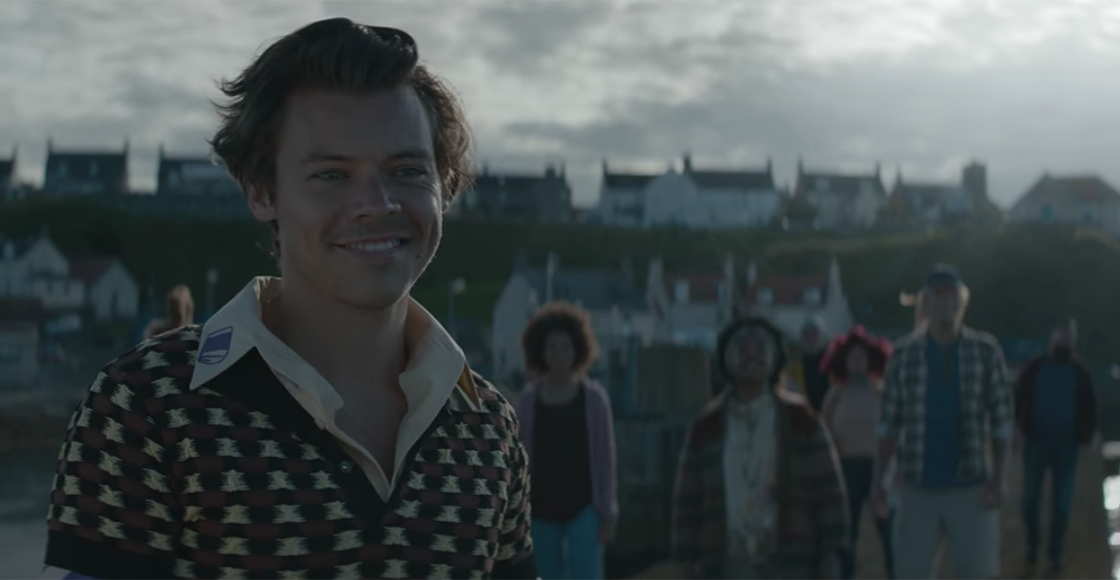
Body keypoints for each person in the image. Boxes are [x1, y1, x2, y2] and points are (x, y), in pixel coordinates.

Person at [42, 19, 535, 580]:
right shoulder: (146, 406)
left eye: (406, 170)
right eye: (332, 174)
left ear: (442, 188)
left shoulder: (488, 427)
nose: (377, 203)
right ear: (260, 190)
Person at [670, 315, 847, 580]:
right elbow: (687, 498)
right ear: (725, 358)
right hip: (725, 562)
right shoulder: (706, 426)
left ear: (775, 358)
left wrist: (832, 554)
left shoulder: (802, 420)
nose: (751, 353)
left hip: (791, 561)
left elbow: (829, 491)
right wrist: (685, 558)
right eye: (741, 346)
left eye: (761, 346)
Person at [872, 264, 1013, 580]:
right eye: (938, 295)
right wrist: (878, 480)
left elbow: (1002, 421)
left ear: (961, 302)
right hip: (916, 488)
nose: (945, 302)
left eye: (952, 295)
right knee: (910, 573)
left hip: (972, 487)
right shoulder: (902, 355)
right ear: (926, 302)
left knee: (979, 573)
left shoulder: (985, 351)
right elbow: (888, 425)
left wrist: (999, 477)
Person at [512, 302, 618, 580]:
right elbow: (515, 461)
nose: (559, 355)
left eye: (565, 347)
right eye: (552, 347)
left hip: (584, 509)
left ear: (577, 350)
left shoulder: (595, 400)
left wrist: (608, 513)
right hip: (539, 511)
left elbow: (606, 460)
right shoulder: (527, 402)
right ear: (541, 351)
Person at [1014, 319, 1097, 574]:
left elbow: (1090, 407)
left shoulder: (1080, 373)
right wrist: (1017, 429)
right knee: (1029, 501)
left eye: (1068, 335)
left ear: (1074, 339)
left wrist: (1087, 437)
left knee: (1062, 506)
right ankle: (1032, 547)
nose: (1064, 339)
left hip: (1067, 447)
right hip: (1036, 443)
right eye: (1060, 334)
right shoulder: (1035, 368)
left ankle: (1056, 554)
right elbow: (1018, 397)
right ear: (1052, 337)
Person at [819, 325, 895, 580]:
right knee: (846, 532)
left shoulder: (882, 392)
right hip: (845, 470)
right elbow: (824, 430)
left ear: (871, 360)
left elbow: (895, 429)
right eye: (853, 358)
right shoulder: (835, 395)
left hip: (878, 468)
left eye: (862, 358)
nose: (858, 362)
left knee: (888, 530)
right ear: (844, 361)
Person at [785, 317, 831, 411]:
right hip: (802, 410)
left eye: (813, 333)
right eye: (806, 334)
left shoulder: (829, 359)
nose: (810, 338)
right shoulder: (796, 361)